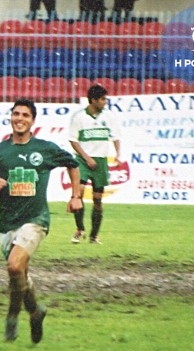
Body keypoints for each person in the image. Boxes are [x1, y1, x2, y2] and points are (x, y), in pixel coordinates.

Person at [0, 99, 83, 344]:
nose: (19, 119)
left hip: (36, 220)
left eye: (25, 115)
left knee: (14, 266)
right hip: (7, 223)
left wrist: (76, 196)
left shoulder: (44, 149)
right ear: (11, 117)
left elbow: (73, 164)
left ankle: (12, 315)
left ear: (33, 120)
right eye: (16, 114)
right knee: (20, 274)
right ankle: (35, 311)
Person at [68, 84, 121, 245]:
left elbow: (115, 137)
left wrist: (118, 154)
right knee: (78, 193)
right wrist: (87, 158)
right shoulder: (79, 117)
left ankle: (94, 235)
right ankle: (80, 229)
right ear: (93, 100)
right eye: (103, 99)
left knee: (97, 199)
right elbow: (73, 140)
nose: (105, 102)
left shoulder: (109, 117)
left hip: (100, 161)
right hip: (82, 161)